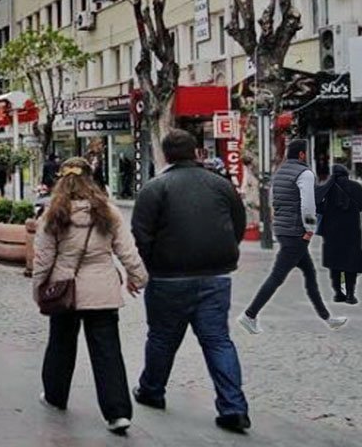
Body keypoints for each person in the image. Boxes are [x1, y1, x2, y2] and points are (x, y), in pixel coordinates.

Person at [130, 129, 251, 433]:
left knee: (161, 337)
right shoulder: (221, 185)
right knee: (218, 340)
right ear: (196, 153)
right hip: (215, 276)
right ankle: (233, 406)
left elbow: (141, 233)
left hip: (169, 277)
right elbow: (238, 223)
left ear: (166, 155)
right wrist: (224, 252)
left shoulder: (155, 188)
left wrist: (152, 263)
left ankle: (152, 390)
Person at [35, 157, 146, 435]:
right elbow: (126, 250)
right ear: (91, 179)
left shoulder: (53, 213)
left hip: (65, 288)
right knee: (107, 351)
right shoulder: (108, 211)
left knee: (60, 344)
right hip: (102, 289)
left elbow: (43, 259)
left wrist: (39, 290)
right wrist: (138, 277)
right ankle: (118, 412)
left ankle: (55, 395)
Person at [239, 139, 348, 333]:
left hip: (283, 230)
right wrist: (309, 228)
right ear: (302, 155)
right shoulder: (304, 173)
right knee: (277, 276)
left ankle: (328, 318)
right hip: (296, 232)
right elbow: (308, 203)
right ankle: (249, 314)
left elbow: (274, 201)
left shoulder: (279, 173)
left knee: (310, 274)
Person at [317, 164, 362, 305]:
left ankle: (338, 293)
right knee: (351, 263)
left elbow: (317, 205)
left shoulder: (327, 188)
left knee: (334, 263)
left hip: (332, 232)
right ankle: (350, 294)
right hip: (351, 230)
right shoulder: (356, 187)